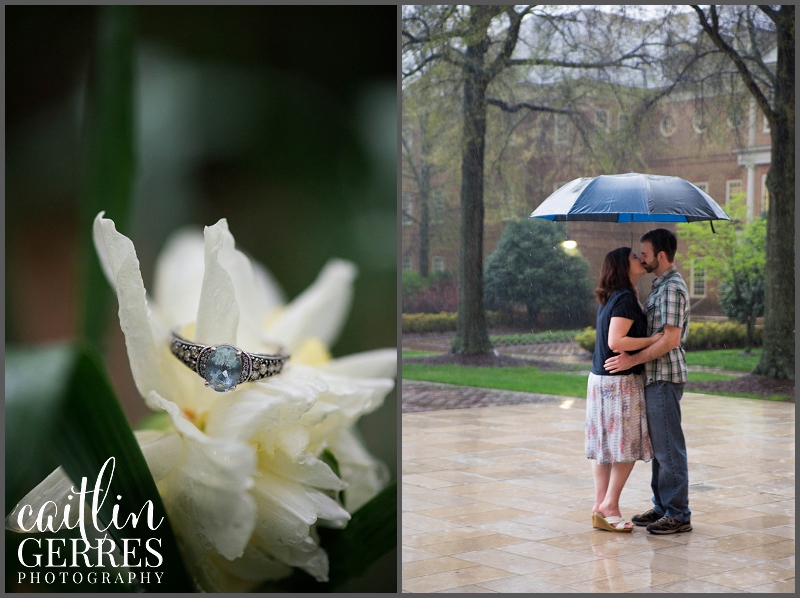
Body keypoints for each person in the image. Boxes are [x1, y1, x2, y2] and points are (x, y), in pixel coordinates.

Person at [605, 228, 692, 535]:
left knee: (669, 448)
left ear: (661, 255)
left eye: (645, 253)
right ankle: (663, 506)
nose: (641, 258)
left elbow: (669, 340)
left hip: (664, 376)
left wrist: (632, 360)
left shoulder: (670, 288)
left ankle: (678, 513)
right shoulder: (659, 286)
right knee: (660, 448)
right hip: (655, 377)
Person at [587, 247, 662, 533]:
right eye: (634, 256)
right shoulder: (625, 298)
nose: (641, 259)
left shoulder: (612, 296)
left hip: (601, 380)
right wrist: (652, 339)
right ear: (621, 265)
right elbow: (617, 341)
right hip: (619, 383)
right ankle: (611, 506)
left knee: (606, 447)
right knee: (626, 447)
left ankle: (600, 506)